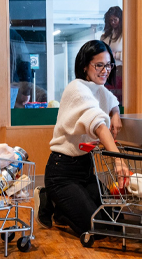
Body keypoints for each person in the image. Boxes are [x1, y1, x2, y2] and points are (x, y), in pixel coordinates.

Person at [34, 40, 129, 235]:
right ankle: (50, 200)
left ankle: (62, 208)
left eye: (109, 64)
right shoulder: (77, 88)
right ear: (85, 66)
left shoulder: (98, 88)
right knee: (95, 227)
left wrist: (116, 113)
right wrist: (119, 160)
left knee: (116, 219)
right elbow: (98, 125)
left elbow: (112, 101)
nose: (105, 70)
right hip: (62, 172)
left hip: (85, 170)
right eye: (99, 65)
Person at [100, 6, 123, 103]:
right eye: (110, 20)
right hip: (108, 71)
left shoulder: (125, 35)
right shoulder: (105, 36)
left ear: (120, 19)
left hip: (120, 70)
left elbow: (131, 56)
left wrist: (115, 55)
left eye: (115, 20)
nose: (113, 22)